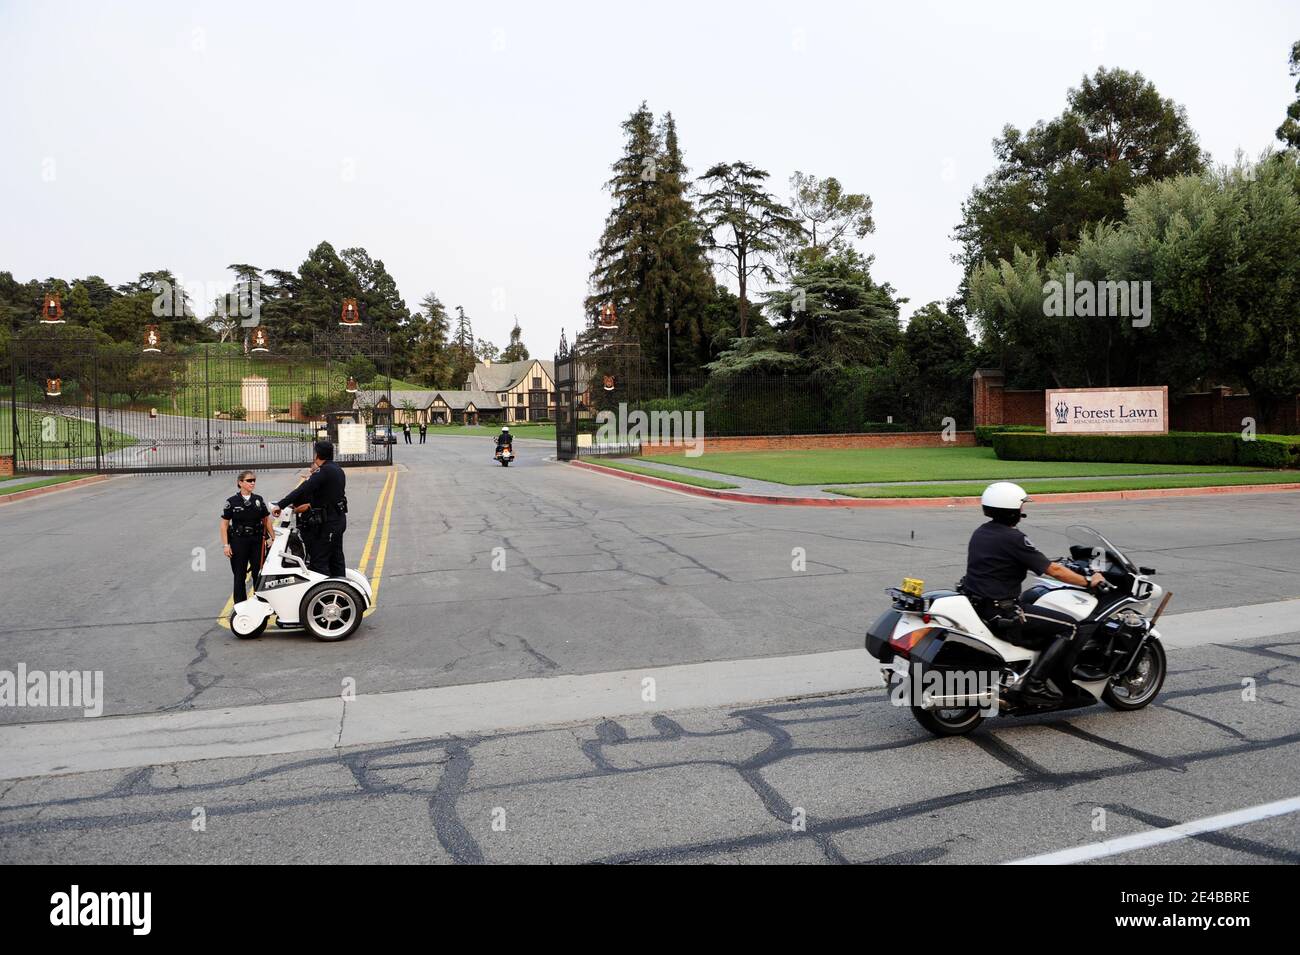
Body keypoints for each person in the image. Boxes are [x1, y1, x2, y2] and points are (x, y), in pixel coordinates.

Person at [960, 482, 1105, 705]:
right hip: (1003, 612)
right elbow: (1054, 571)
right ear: (1012, 511)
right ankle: (1035, 685)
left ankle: (1031, 669)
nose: (1021, 512)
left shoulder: (982, 532)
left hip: (980, 605)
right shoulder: (1013, 538)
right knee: (1070, 627)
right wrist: (1088, 581)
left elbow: (1025, 561)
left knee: (1033, 596)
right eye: (1020, 507)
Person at [272, 440, 348, 576]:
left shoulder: (323, 471)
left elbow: (302, 489)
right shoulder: (337, 469)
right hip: (338, 519)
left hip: (328, 523)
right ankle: (342, 588)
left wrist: (280, 505)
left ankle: (324, 594)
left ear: (317, 455)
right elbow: (326, 495)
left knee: (319, 561)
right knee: (336, 558)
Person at [220, 470, 274, 604]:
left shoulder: (258, 499)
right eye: (249, 480)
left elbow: (266, 520)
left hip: (256, 541)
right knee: (239, 575)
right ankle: (240, 606)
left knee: (259, 574)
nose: (253, 483)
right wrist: (226, 545)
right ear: (240, 483)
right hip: (239, 541)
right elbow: (224, 525)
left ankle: (261, 603)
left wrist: (272, 538)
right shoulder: (232, 502)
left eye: (254, 480)